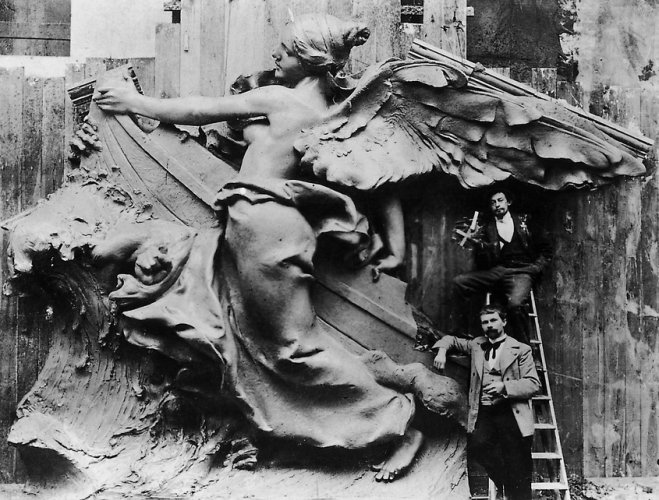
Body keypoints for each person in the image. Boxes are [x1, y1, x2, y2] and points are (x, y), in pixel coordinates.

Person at [90, 13, 445, 483]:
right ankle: (289, 430)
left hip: (265, 231)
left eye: (287, 50)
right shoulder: (329, 120)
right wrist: (395, 245)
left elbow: (202, 109)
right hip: (255, 230)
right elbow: (382, 184)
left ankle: (397, 426)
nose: (276, 56)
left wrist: (137, 101)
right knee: (253, 337)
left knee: (293, 348)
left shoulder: (282, 100)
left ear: (310, 59)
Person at [433, 304, 540, 500]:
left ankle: (517, 491)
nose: (489, 325)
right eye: (485, 322)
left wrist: (504, 387)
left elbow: (533, 384)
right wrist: (441, 351)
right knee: (478, 447)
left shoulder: (521, 349)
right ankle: (508, 485)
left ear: (504, 321)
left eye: (493, 320)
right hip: (484, 411)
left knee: (518, 464)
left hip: (511, 412)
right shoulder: (476, 345)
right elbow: (452, 340)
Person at [453, 189, 552, 342]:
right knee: (460, 282)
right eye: (493, 203)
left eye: (500, 200)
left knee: (516, 305)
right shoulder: (486, 228)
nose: (497, 205)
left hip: (522, 271)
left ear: (508, 202)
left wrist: (535, 268)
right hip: (498, 270)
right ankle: (460, 337)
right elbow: (484, 263)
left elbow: (546, 250)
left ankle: (525, 351)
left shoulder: (525, 220)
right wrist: (480, 247)